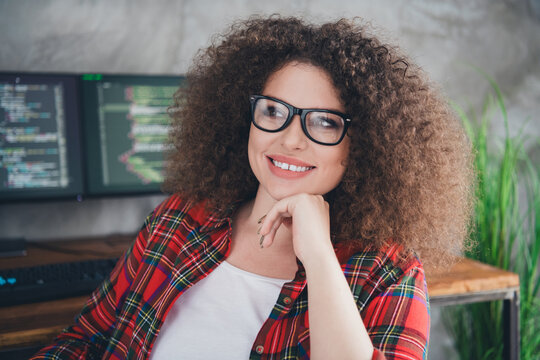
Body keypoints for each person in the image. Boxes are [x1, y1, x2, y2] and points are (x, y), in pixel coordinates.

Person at [32, 16, 473, 360]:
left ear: (362, 146)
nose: (290, 138)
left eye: (324, 121)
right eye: (274, 110)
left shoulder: (387, 272)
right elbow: (89, 337)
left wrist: (319, 256)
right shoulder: (178, 220)